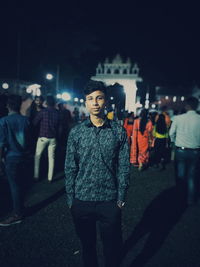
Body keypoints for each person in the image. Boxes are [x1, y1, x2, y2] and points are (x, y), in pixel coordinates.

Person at [65, 80, 130, 267]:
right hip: (81, 200)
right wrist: (71, 199)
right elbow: (70, 167)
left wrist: (121, 197)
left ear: (105, 101)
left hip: (109, 201)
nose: (95, 103)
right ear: (86, 102)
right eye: (90, 99)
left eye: (99, 98)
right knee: (87, 247)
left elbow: (124, 166)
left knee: (112, 249)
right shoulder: (76, 133)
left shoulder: (118, 131)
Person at [0, 95, 31, 226]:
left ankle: (17, 214)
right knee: (22, 184)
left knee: (14, 186)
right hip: (24, 157)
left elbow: (1, 144)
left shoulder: (4, 121)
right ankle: (20, 208)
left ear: (8, 106)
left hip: (11, 158)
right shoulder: (26, 120)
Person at [169, 96, 200, 206]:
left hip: (181, 150)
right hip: (196, 151)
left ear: (187, 106)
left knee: (181, 175)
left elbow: (171, 133)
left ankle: (180, 198)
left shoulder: (178, 118)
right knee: (192, 176)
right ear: (196, 106)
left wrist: (174, 141)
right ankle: (190, 199)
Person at [33, 95, 60, 182]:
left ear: (46, 103)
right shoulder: (57, 112)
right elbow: (60, 127)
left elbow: (34, 122)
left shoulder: (43, 112)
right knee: (51, 158)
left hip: (42, 137)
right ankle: (50, 178)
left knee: (37, 157)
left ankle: (36, 176)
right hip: (53, 138)